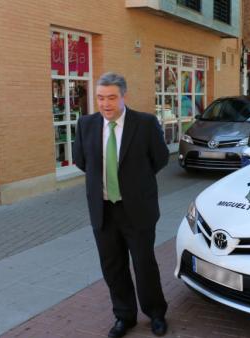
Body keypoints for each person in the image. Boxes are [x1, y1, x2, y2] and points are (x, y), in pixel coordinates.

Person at [73, 72, 169, 338]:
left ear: (124, 96)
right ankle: (124, 316)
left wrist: (134, 182)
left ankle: (156, 313)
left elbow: (159, 159)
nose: (105, 104)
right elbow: (82, 161)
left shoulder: (145, 123)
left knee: (143, 264)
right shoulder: (86, 124)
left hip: (137, 209)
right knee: (113, 267)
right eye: (101, 98)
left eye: (111, 98)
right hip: (103, 210)